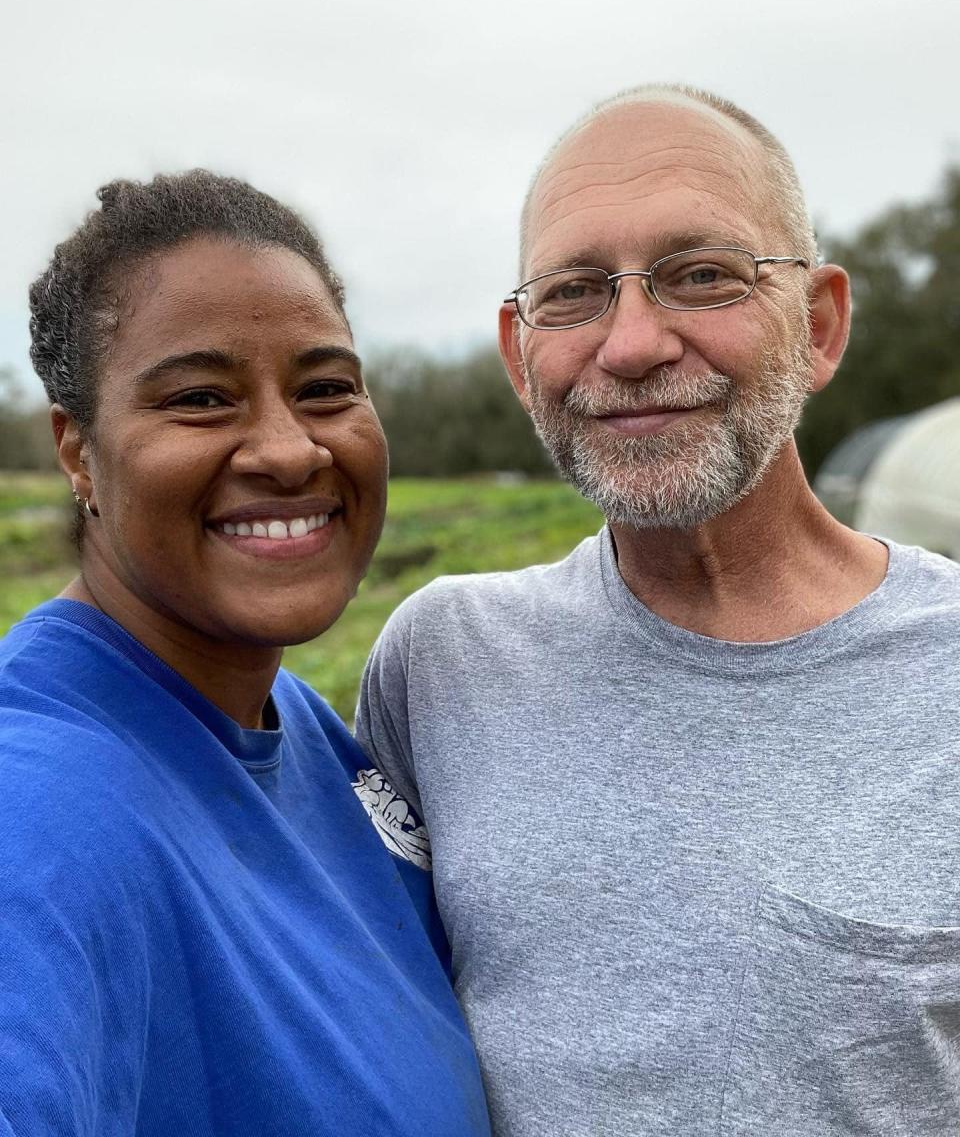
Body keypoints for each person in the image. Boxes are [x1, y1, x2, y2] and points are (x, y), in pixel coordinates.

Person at [357, 85, 960, 1135]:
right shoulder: (441, 663)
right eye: (575, 292)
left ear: (819, 326)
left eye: (702, 276)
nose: (631, 344)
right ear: (517, 355)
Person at [0, 171, 490, 1137]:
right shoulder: (39, 807)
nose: (289, 447)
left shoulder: (300, 726)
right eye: (199, 398)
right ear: (77, 451)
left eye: (325, 389)